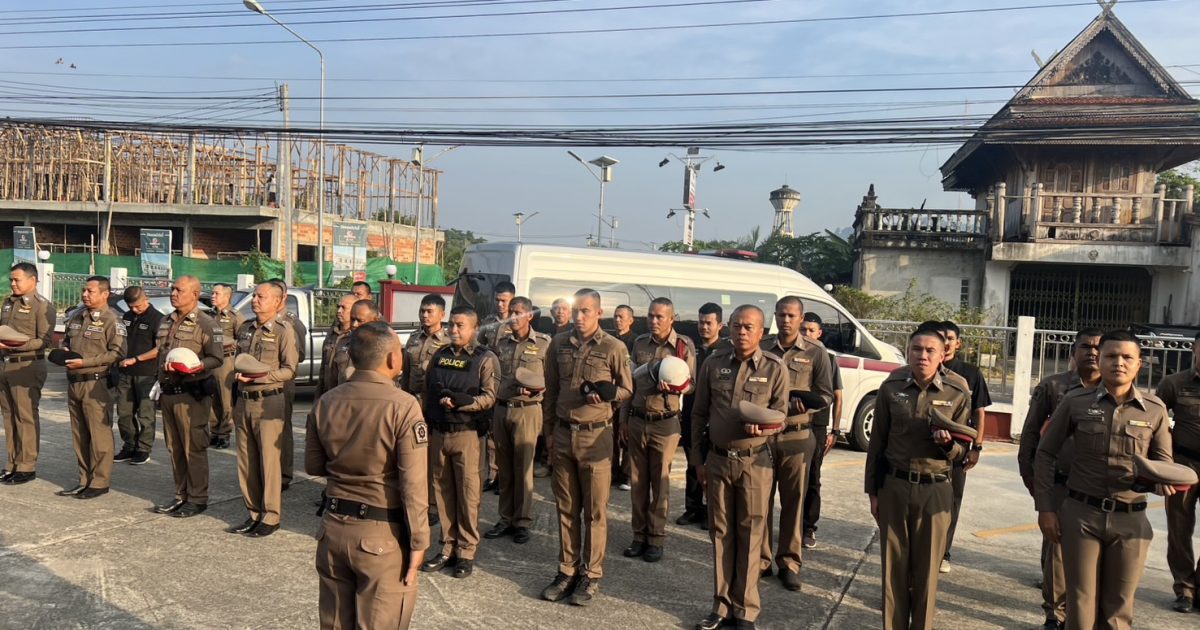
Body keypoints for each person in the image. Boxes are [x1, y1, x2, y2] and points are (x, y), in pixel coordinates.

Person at [1036, 330, 1174, 630]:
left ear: (1139, 365)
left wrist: (1161, 481)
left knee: (1119, 609)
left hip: (1131, 519)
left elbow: (1164, 463)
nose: (1119, 363)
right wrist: (1045, 508)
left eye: (1127, 357)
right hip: (1081, 515)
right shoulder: (1075, 401)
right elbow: (1045, 453)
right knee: (1080, 605)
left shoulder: (1154, 409)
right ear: (1100, 360)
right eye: (1111, 356)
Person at [306, 321, 429, 630]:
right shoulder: (404, 406)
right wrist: (419, 542)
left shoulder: (326, 401)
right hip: (380, 536)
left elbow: (313, 466)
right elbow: (413, 484)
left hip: (332, 531)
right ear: (392, 358)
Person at [864, 327, 971, 630]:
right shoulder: (891, 386)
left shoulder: (957, 390)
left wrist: (948, 445)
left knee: (926, 574)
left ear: (943, 355)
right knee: (893, 570)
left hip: (935, 489)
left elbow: (963, 452)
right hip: (894, 487)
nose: (922, 356)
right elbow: (877, 443)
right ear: (908, 351)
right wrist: (873, 492)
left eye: (929, 351)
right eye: (916, 349)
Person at [690, 305, 787, 630]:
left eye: (748, 327)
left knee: (751, 534)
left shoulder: (775, 367)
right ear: (729, 328)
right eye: (737, 326)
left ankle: (745, 610)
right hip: (717, 461)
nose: (742, 332)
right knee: (720, 533)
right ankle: (721, 607)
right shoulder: (713, 363)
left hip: (755, 462)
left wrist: (765, 428)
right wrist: (697, 460)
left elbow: (781, 417)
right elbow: (698, 414)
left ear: (762, 332)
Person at [539, 288, 632, 607]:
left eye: (586, 311)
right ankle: (567, 570)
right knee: (566, 508)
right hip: (564, 434)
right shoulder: (558, 344)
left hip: (596, 437)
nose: (579, 317)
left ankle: (590, 575)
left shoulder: (613, 347)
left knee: (594, 511)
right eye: (576, 310)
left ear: (599, 313)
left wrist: (608, 394)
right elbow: (551, 391)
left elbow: (627, 389)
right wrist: (549, 432)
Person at [1016, 329, 1102, 630]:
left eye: (1098, 347)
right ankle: (1056, 614)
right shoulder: (1053, 387)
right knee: (1057, 552)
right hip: (1059, 482)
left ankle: (1083, 613)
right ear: (1073, 352)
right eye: (1086, 347)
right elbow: (1031, 433)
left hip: (1096, 486)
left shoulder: (1113, 389)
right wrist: (1030, 476)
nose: (1092, 352)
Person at [759, 296, 833, 590]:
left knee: (794, 502)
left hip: (797, 436)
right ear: (775, 316)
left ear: (801, 318)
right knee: (760, 501)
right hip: (765, 435)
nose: (785, 320)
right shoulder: (763, 347)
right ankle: (762, 559)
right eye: (781, 315)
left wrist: (807, 404)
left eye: (791, 315)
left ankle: (789, 563)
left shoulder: (816, 352)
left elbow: (825, 394)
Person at [420, 306, 498, 579]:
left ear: (474, 328)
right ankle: (446, 546)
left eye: (460, 325)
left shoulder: (485, 358)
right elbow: (428, 390)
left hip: (467, 435)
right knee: (442, 492)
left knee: (468, 495)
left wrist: (464, 403)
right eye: (451, 324)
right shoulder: (439, 355)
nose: (453, 330)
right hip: (440, 432)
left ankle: (466, 551)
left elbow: (490, 396)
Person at [623, 298, 696, 563]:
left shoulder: (683, 346)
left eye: (660, 317)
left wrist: (676, 386)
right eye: (651, 316)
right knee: (638, 483)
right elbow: (629, 383)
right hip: (637, 419)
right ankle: (638, 536)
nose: (653, 321)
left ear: (671, 318)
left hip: (665, 422)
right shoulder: (640, 343)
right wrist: (623, 420)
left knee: (660, 483)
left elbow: (692, 384)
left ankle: (655, 538)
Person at [229, 282, 298, 538]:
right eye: (254, 296)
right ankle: (253, 513)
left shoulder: (283, 330)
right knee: (247, 461)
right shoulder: (246, 328)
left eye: (261, 297)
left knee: (269, 462)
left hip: (268, 401)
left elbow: (289, 370)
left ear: (277, 302)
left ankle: (270, 516)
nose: (255, 300)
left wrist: (260, 377)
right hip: (243, 400)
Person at [154, 275, 224, 518]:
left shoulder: (206, 323)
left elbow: (216, 358)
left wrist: (195, 367)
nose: (173, 293)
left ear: (194, 295)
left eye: (179, 290)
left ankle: (197, 498)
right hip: (168, 393)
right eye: (173, 289)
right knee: (174, 447)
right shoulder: (166, 320)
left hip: (191, 395)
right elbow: (161, 354)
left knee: (193, 448)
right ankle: (180, 494)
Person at [485, 296, 550, 545]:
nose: (512, 317)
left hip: (527, 410)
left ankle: (521, 521)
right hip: (502, 409)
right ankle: (505, 518)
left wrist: (538, 390)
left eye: (518, 312)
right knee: (504, 467)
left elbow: (551, 379)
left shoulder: (543, 344)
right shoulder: (501, 343)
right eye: (511, 312)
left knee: (523, 468)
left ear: (529, 315)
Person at [57, 276, 126, 500]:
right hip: (74, 382)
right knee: (80, 434)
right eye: (84, 290)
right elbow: (66, 341)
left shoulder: (112, 320)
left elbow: (117, 353)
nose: (85, 294)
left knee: (99, 434)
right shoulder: (77, 316)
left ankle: (100, 482)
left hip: (97, 384)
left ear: (105, 294)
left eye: (90, 291)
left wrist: (85, 362)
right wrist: (64, 349)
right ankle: (84, 479)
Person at [939, 320, 991, 574]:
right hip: (927, 446)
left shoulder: (969, 373)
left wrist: (976, 447)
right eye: (941, 337)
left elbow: (979, 412)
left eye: (950, 338)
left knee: (951, 501)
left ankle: (943, 553)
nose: (946, 342)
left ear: (958, 343)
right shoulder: (927, 369)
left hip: (959, 447)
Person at [1154, 332, 1200, 615]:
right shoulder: (1174, 383)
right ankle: (1184, 588)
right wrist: (1162, 465)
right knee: (1179, 529)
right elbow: (1153, 420)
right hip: (1183, 465)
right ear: (1194, 348)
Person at [0, 262, 55, 485]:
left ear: (33, 280)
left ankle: (27, 466)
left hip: (27, 366)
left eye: (17, 280)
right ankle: (12, 463)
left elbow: (44, 341)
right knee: (9, 415)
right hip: (5, 365)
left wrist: (14, 346)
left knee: (25, 416)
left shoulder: (42, 306)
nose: (13, 283)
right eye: (11, 280)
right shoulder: (8, 302)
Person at [402, 293, 450, 526]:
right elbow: (406, 373)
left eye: (430, 311)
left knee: (432, 459)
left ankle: (432, 505)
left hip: (433, 407)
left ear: (442, 314)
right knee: (410, 454)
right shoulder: (413, 339)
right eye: (422, 310)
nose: (425, 315)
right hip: (411, 403)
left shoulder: (448, 341)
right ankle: (412, 499)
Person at [677, 302, 726, 529]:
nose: (704, 327)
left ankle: (709, 510)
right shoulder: (690, 348)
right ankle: (692, 508)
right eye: (700, 322)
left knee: (712, 464)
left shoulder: (726, 350)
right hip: (691, 412)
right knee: (693, 461)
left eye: (708, 323)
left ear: (720, 326)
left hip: (715, 414)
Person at [800, 312, 844, 550]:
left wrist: (834, 430)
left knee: (812, 477)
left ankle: (808, 527)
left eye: (811, 330)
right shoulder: (790, 354)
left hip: (816, 425)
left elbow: (837, 395)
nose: (807, 334)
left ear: (819, 333)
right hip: (791, 424)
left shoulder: (828, 358)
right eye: (803, 329)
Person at [115, 286, 164, 465]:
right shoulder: (127, 317)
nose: (135, 310)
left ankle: (143, 449)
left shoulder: (158, 318)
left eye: (138, 306)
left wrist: (136, 359)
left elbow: (160, 348)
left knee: (145, 414)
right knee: (124, 413)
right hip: (125, 373)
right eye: (131, 307)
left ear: (146, 298)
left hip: (146, 374)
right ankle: (129, 446)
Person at [479, 282, 516, 493]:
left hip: (508, 383)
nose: (500, 304)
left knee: (508, 435)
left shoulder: (518, 321)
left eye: (504, 300)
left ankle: (506, 477)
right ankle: (493, 475)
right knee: (492, 433)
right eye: (497, 300)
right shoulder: (488, 322)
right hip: (490, 381)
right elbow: (479, 347)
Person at [208, 283, 244, 450]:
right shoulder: (209, 315)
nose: (212, 296)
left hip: (226, 361)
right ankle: (214, 432)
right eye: (212, 293)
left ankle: (224, 434)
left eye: (217, 293)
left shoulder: (235, 317)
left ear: (227, 296)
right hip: (210, 361)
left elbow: (243, 340)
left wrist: (230, 343)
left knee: (225, 399)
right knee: (212, 398)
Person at [610, 304, 636, 491]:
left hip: (628, 393)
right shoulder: (609, 340)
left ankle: (627, 474)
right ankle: (612, 471)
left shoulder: (636, 342)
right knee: (610, 434)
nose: (617, 320)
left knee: (626, 434)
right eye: (615, 316)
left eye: (621, 317)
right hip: (611, 394)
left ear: (631, 320)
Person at [329, 300, 380, 387]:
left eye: (360, 321)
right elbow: (332, 379)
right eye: (352, 319)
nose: (354, 324)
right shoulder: (342, 342)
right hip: (343, 394)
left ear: (375, 320)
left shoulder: (383, 346)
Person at [316, 294, 356, 398]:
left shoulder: (357, 337)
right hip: (328, 394)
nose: (339, 311)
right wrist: (317, 398)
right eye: (338, 307)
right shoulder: (332, 334)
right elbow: (323, 369)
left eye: (344, 308)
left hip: (346, 396)